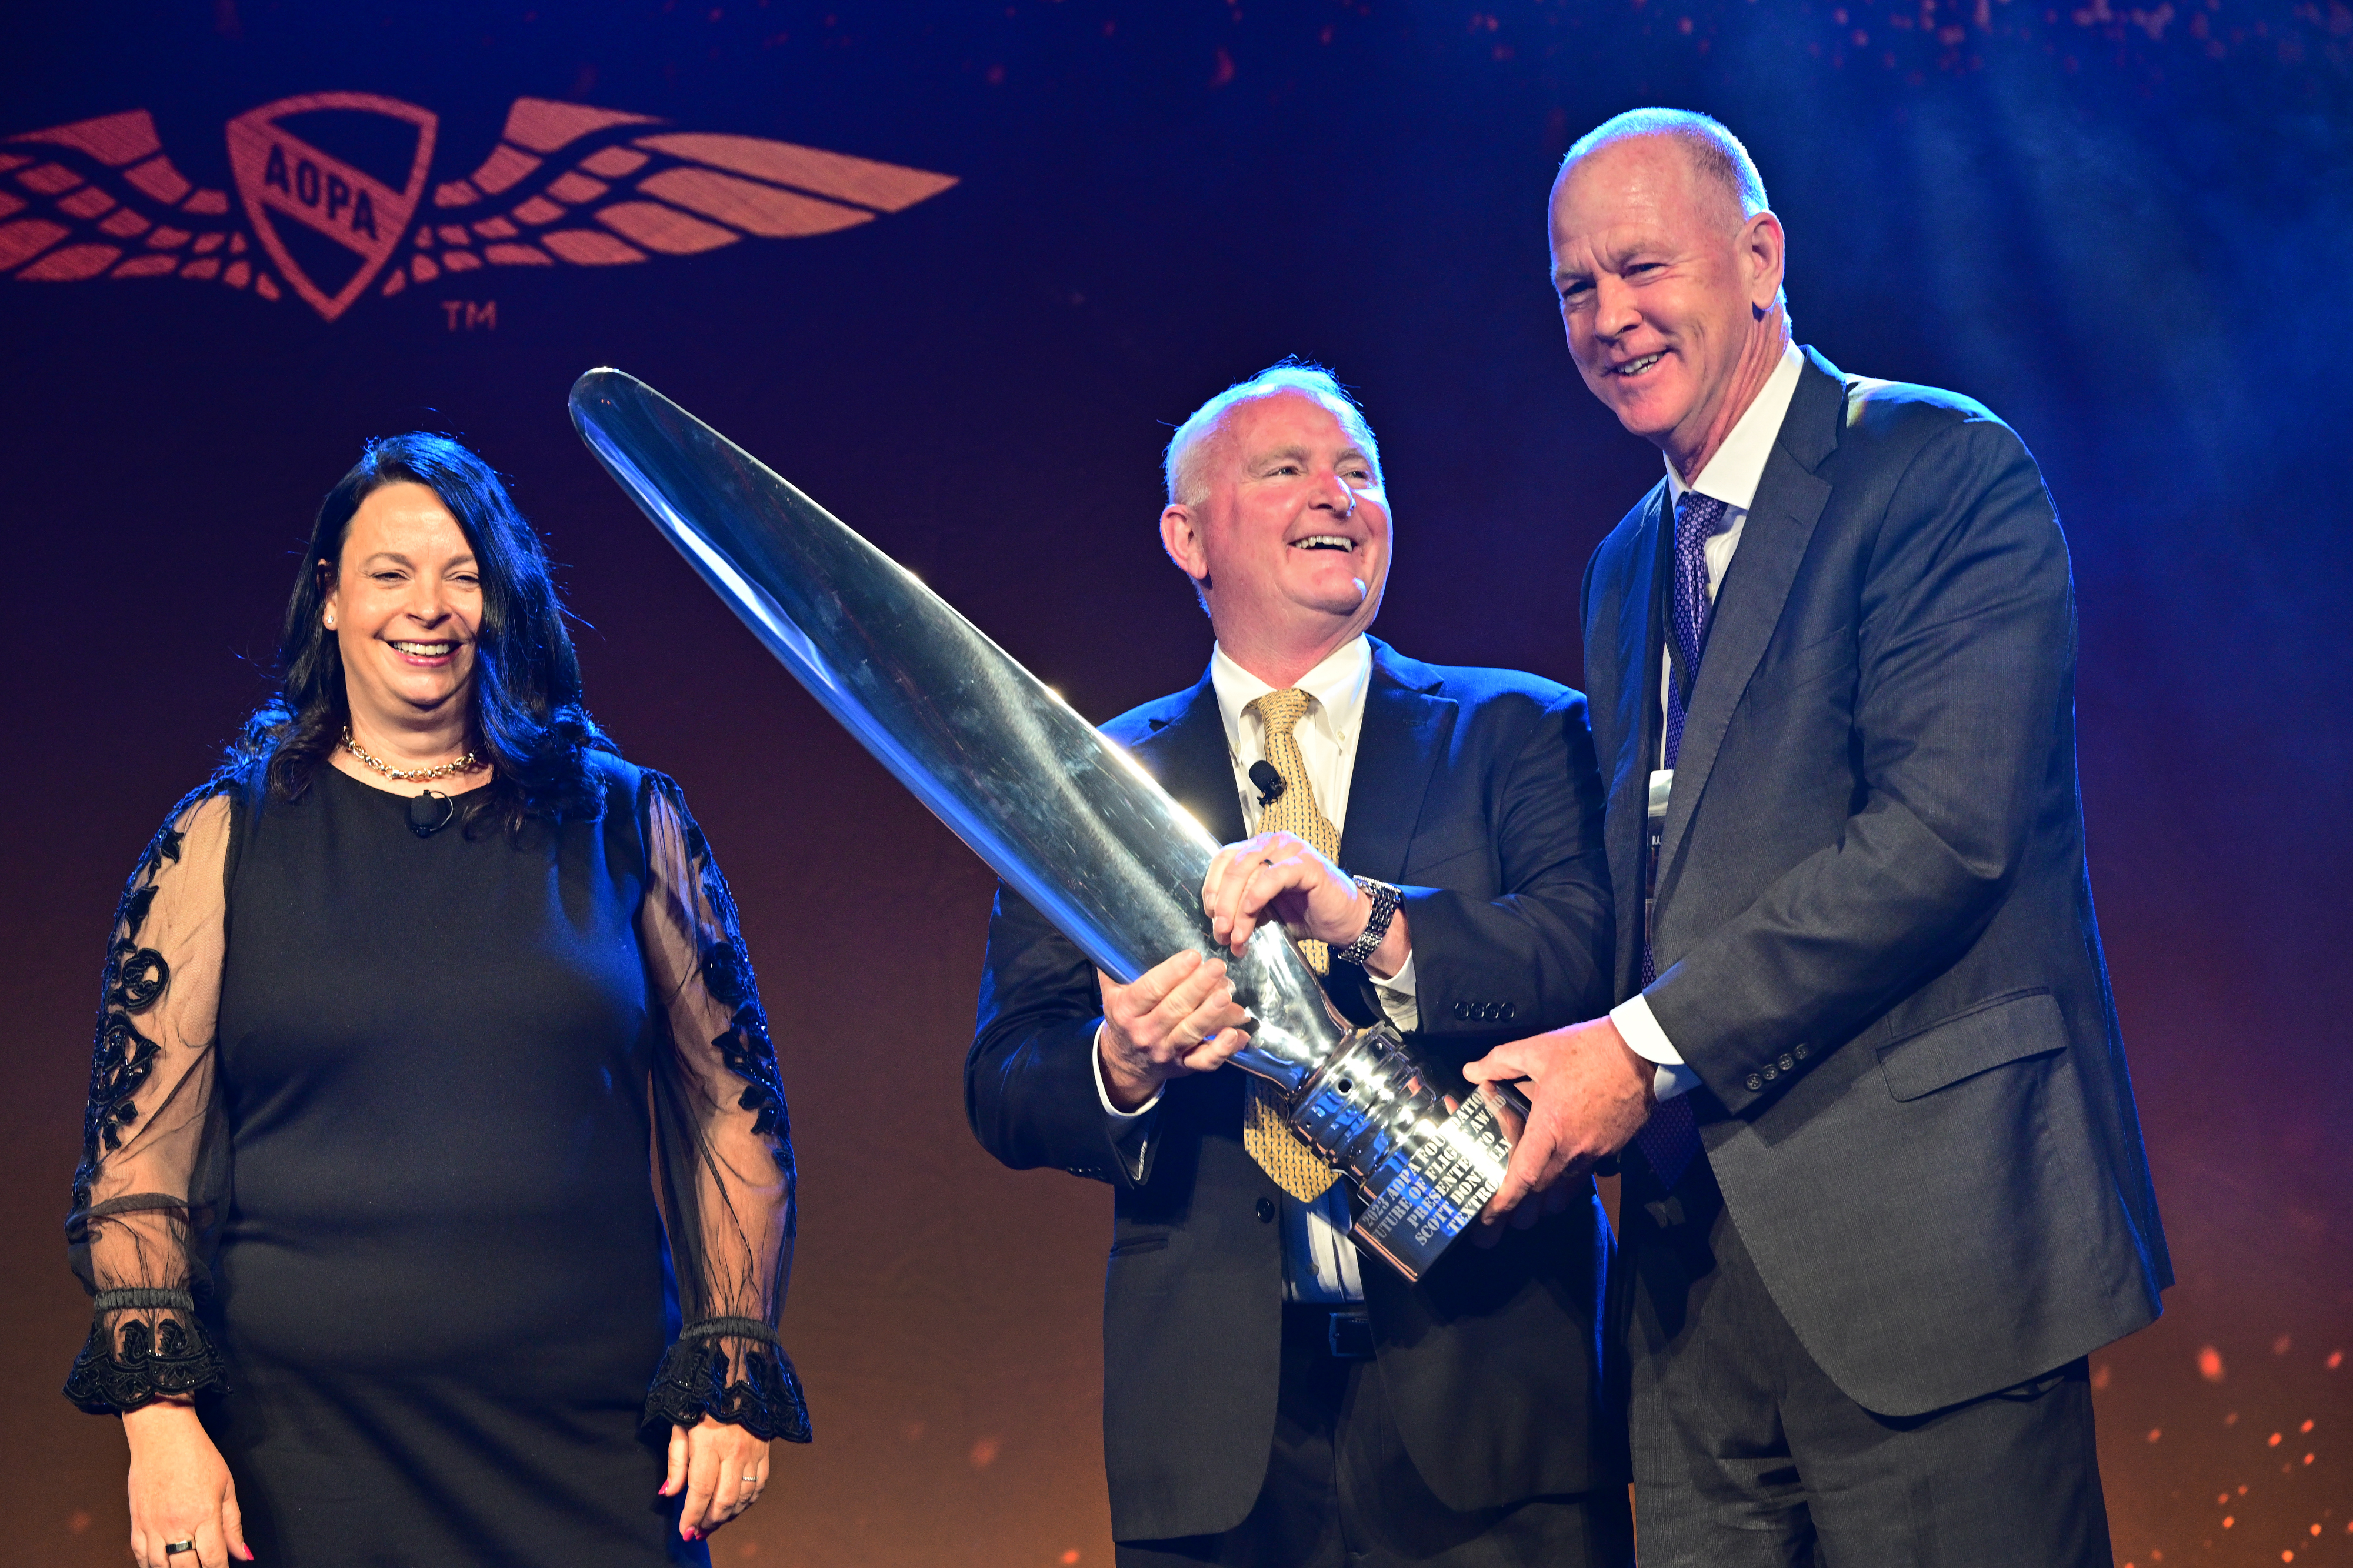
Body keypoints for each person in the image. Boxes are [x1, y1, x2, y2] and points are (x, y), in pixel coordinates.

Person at [1461, 109, 2170, 1564]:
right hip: (1692, 1301)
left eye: (1641, 268)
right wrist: (1381, 934)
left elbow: (1937, 841)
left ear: (1760, 255)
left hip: (1931, 1269)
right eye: (1574, 290)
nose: (1610, 318)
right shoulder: (1623, 567)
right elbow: (1642, 893)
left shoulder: (1936, 473)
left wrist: (1639, 1048)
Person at [62, 434, 810, 1567]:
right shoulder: (223, 839)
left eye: (465, 574)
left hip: (595, 1452)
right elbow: (136, 1166)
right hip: (303, 1459)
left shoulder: (623, 821)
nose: (432, 607)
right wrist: (159, 1427)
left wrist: (732, 1364)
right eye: (391, 572)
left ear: (503, 601)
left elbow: (731, 1108)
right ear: (328, 599)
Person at [968, 363, 1630, 1568]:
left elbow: (1588, 961)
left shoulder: (1517, 731)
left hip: (1490, 1399)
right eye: (1287, 470)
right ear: (1186, 534)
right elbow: (1008, 1076)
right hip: (1218, 1433)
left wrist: (1367, 918)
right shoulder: (1092, 786)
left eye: (1360, 473)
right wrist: (1123, 1060)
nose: (1339, 494)